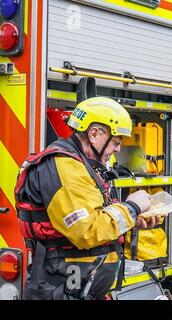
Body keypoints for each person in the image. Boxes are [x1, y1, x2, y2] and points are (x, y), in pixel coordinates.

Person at [15, 97, 160, 300]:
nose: (118, 149)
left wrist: (131, 221)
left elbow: (95, 217)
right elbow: (85, 230)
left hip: (80, 290)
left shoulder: (80, 166)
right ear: (94, 134)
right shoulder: (65, 167)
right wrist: (132, 207)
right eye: (116, 142)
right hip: (62, 291)